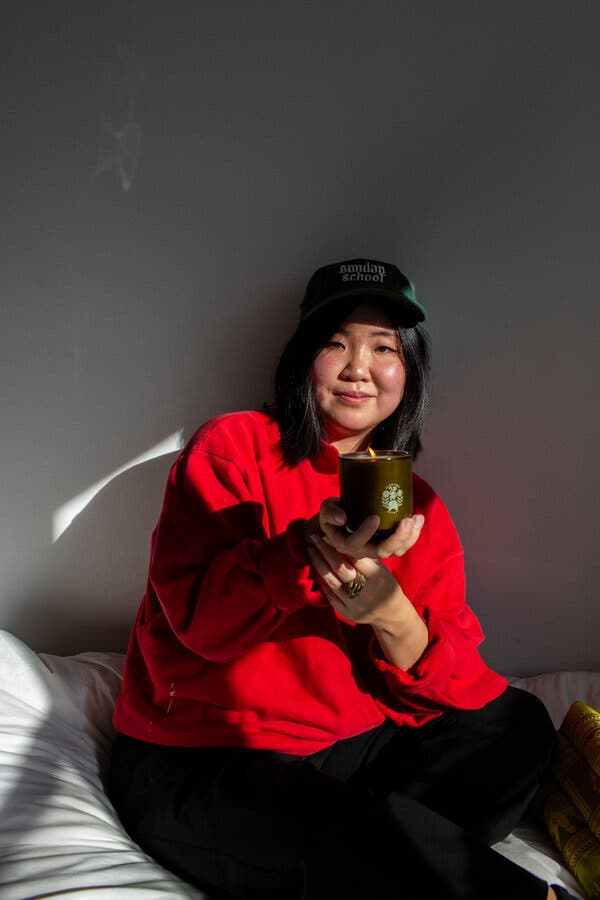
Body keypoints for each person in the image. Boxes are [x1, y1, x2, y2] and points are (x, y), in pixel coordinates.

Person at [109, 258, 574, 900]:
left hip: (343, 751)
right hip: (205, 755)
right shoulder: (233, 448)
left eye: (384, 347)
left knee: (517, 725)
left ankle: (370, 847)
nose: (359, 366)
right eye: (337, 343)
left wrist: (391, 616)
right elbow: (196, 626)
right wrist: (302, 552)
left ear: (408, 373)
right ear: (304, 358)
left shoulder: (418, 506)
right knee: (347, 829)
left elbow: (457, 685)